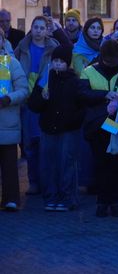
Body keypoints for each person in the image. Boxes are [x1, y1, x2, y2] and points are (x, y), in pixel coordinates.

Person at [78, 40, 118, 218]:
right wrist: (104, 96)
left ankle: (117, 201)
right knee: (101, 163)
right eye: (108, 61)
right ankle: (103, 201)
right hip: (98, 126)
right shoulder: (88, 71)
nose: (111, 64)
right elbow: (82, 94)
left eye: (115, 61)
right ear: (101, 58)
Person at [15, 16, 72, 195]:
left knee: (45, 143)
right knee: (30, 143)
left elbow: (69, 52)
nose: (39, 30)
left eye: (42, 27)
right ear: (31, 28)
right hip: (26, 99)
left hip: (46, 99)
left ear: (47, 30)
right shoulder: (22, 47)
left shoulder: (53, 47)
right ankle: (33, 181)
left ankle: (48, 181)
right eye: (36, 27)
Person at [28, 46, 83, 212]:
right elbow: (33, 104)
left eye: (61, 62)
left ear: (68, 64)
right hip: (48, 127)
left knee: (67, 163)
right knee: (49, 163)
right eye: (55, 61)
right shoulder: (45, 79)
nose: (58, 65)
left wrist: (73, 121)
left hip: (68, 128)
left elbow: (81, 106)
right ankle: (51, 196)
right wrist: (43, 99)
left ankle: (68, 197)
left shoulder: (74, 81)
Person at [0, 28, 29, 211]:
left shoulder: (11, 63)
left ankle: (11, 198)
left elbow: (24, 90)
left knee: (10, 165)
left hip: (7, 123)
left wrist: (9, 98)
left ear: (3, 41)